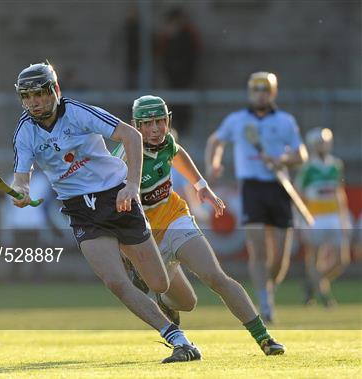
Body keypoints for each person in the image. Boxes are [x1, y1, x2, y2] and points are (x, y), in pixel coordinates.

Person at [11, 61, 200, 363]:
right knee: (115, 282)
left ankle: (144, 275)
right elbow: (22, 179)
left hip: (117, 197)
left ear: (54, 90)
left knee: (160, 284)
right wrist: (20, 193)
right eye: (26, 96)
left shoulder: (77, 112)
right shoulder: (25, 132)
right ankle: (177, 339)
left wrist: (132, 186)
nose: (33, 102)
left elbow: (132, 137)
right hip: (80, 209)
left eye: (39, 94)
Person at [114, 95, 285, 356]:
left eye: (160, 121)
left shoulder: (166, 141)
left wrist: (201, 186)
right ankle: (162, 298)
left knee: (215, 276)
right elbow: (111, 209)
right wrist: (124, 251)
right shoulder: (121, 161)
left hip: (175, 219)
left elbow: (176, 151)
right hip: (146, 238)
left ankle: (264, 338)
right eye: (148, 123)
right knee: (188, 303)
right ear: (136, 126)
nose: (156, 129)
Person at [205, 72, 308, 322]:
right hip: (251, 188)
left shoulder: (285, 121)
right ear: (251, 93)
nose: (260, 95)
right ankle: (264, 300)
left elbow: (300, 155)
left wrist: (281, 160)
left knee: (280, 259)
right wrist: (214, 164)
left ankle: (269, 286)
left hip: (279, 187)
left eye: (265, 90)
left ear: (272, 93)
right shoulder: (236, 120)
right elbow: (215, 141)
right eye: (256, 90)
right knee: (258, 248)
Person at [296, 127, 351, 307]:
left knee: (341, 261)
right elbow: (297, 194)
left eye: (325, 142)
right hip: (315, 218)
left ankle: (312, 284)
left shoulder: (336, 164)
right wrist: (300, 219)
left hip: (334, 217)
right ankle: (323, 295)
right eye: (320, 143)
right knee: (315, 258)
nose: (323, 146)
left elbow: (339, 192)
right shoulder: (308, 167)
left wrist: (344, 218)